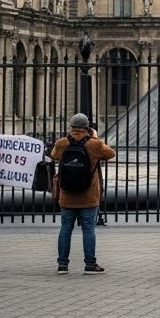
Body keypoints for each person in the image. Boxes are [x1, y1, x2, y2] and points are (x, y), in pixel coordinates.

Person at [50, 113, 117, 275]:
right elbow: (111, 154)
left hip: (67, 195)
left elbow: (53, 155)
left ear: (71, 126)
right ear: (87, 126)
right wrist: (94, 137)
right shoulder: (94, 144)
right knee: (88, 229)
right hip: (89, 195)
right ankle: (90, 264)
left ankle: (62, 265)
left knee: (65, 228)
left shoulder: (62, 142)